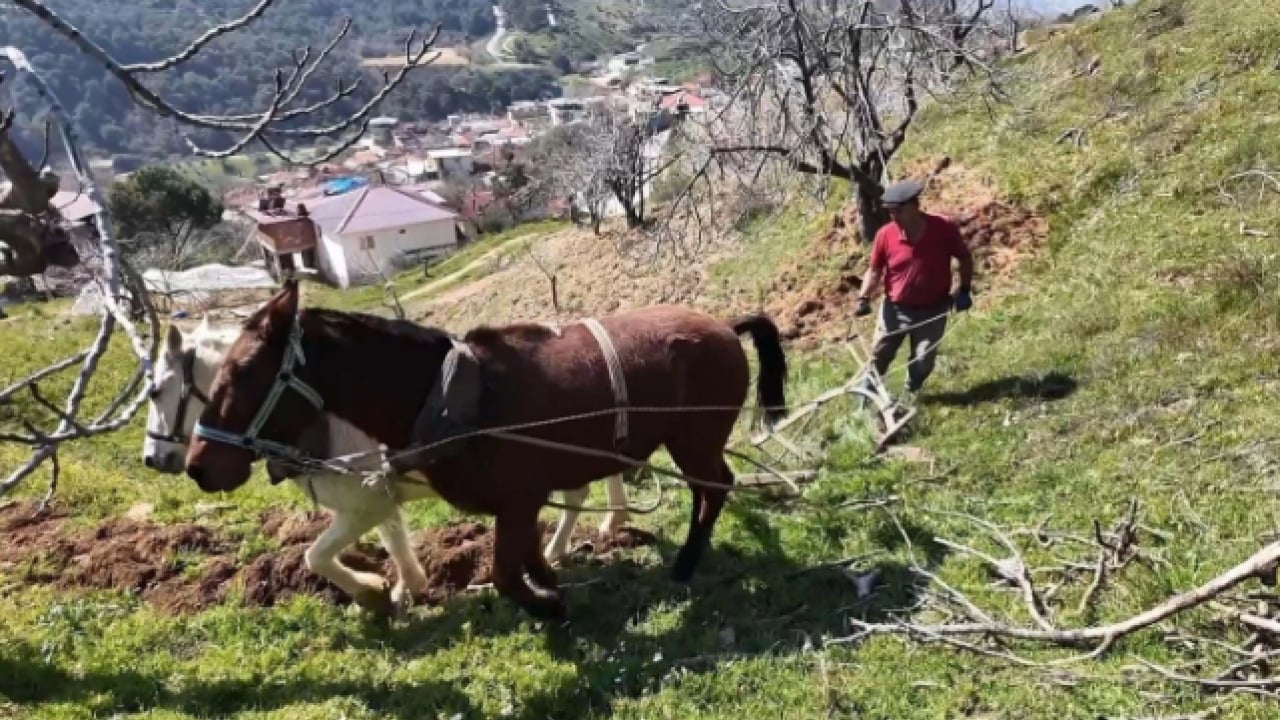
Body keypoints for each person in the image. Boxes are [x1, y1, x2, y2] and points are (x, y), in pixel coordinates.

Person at [854, 179, 974, 400]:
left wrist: (964, 289)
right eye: (890, 212)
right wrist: (863, 298)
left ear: (914, 206)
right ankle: (864, 399)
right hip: (895, 310)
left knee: (923, 361)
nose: (894, 217)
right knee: (879, 356)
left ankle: (912, 391)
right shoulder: (885, 235)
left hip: (933, 310)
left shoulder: (943, 228)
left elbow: (964, 258)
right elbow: (874, 271)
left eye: (898, 211)